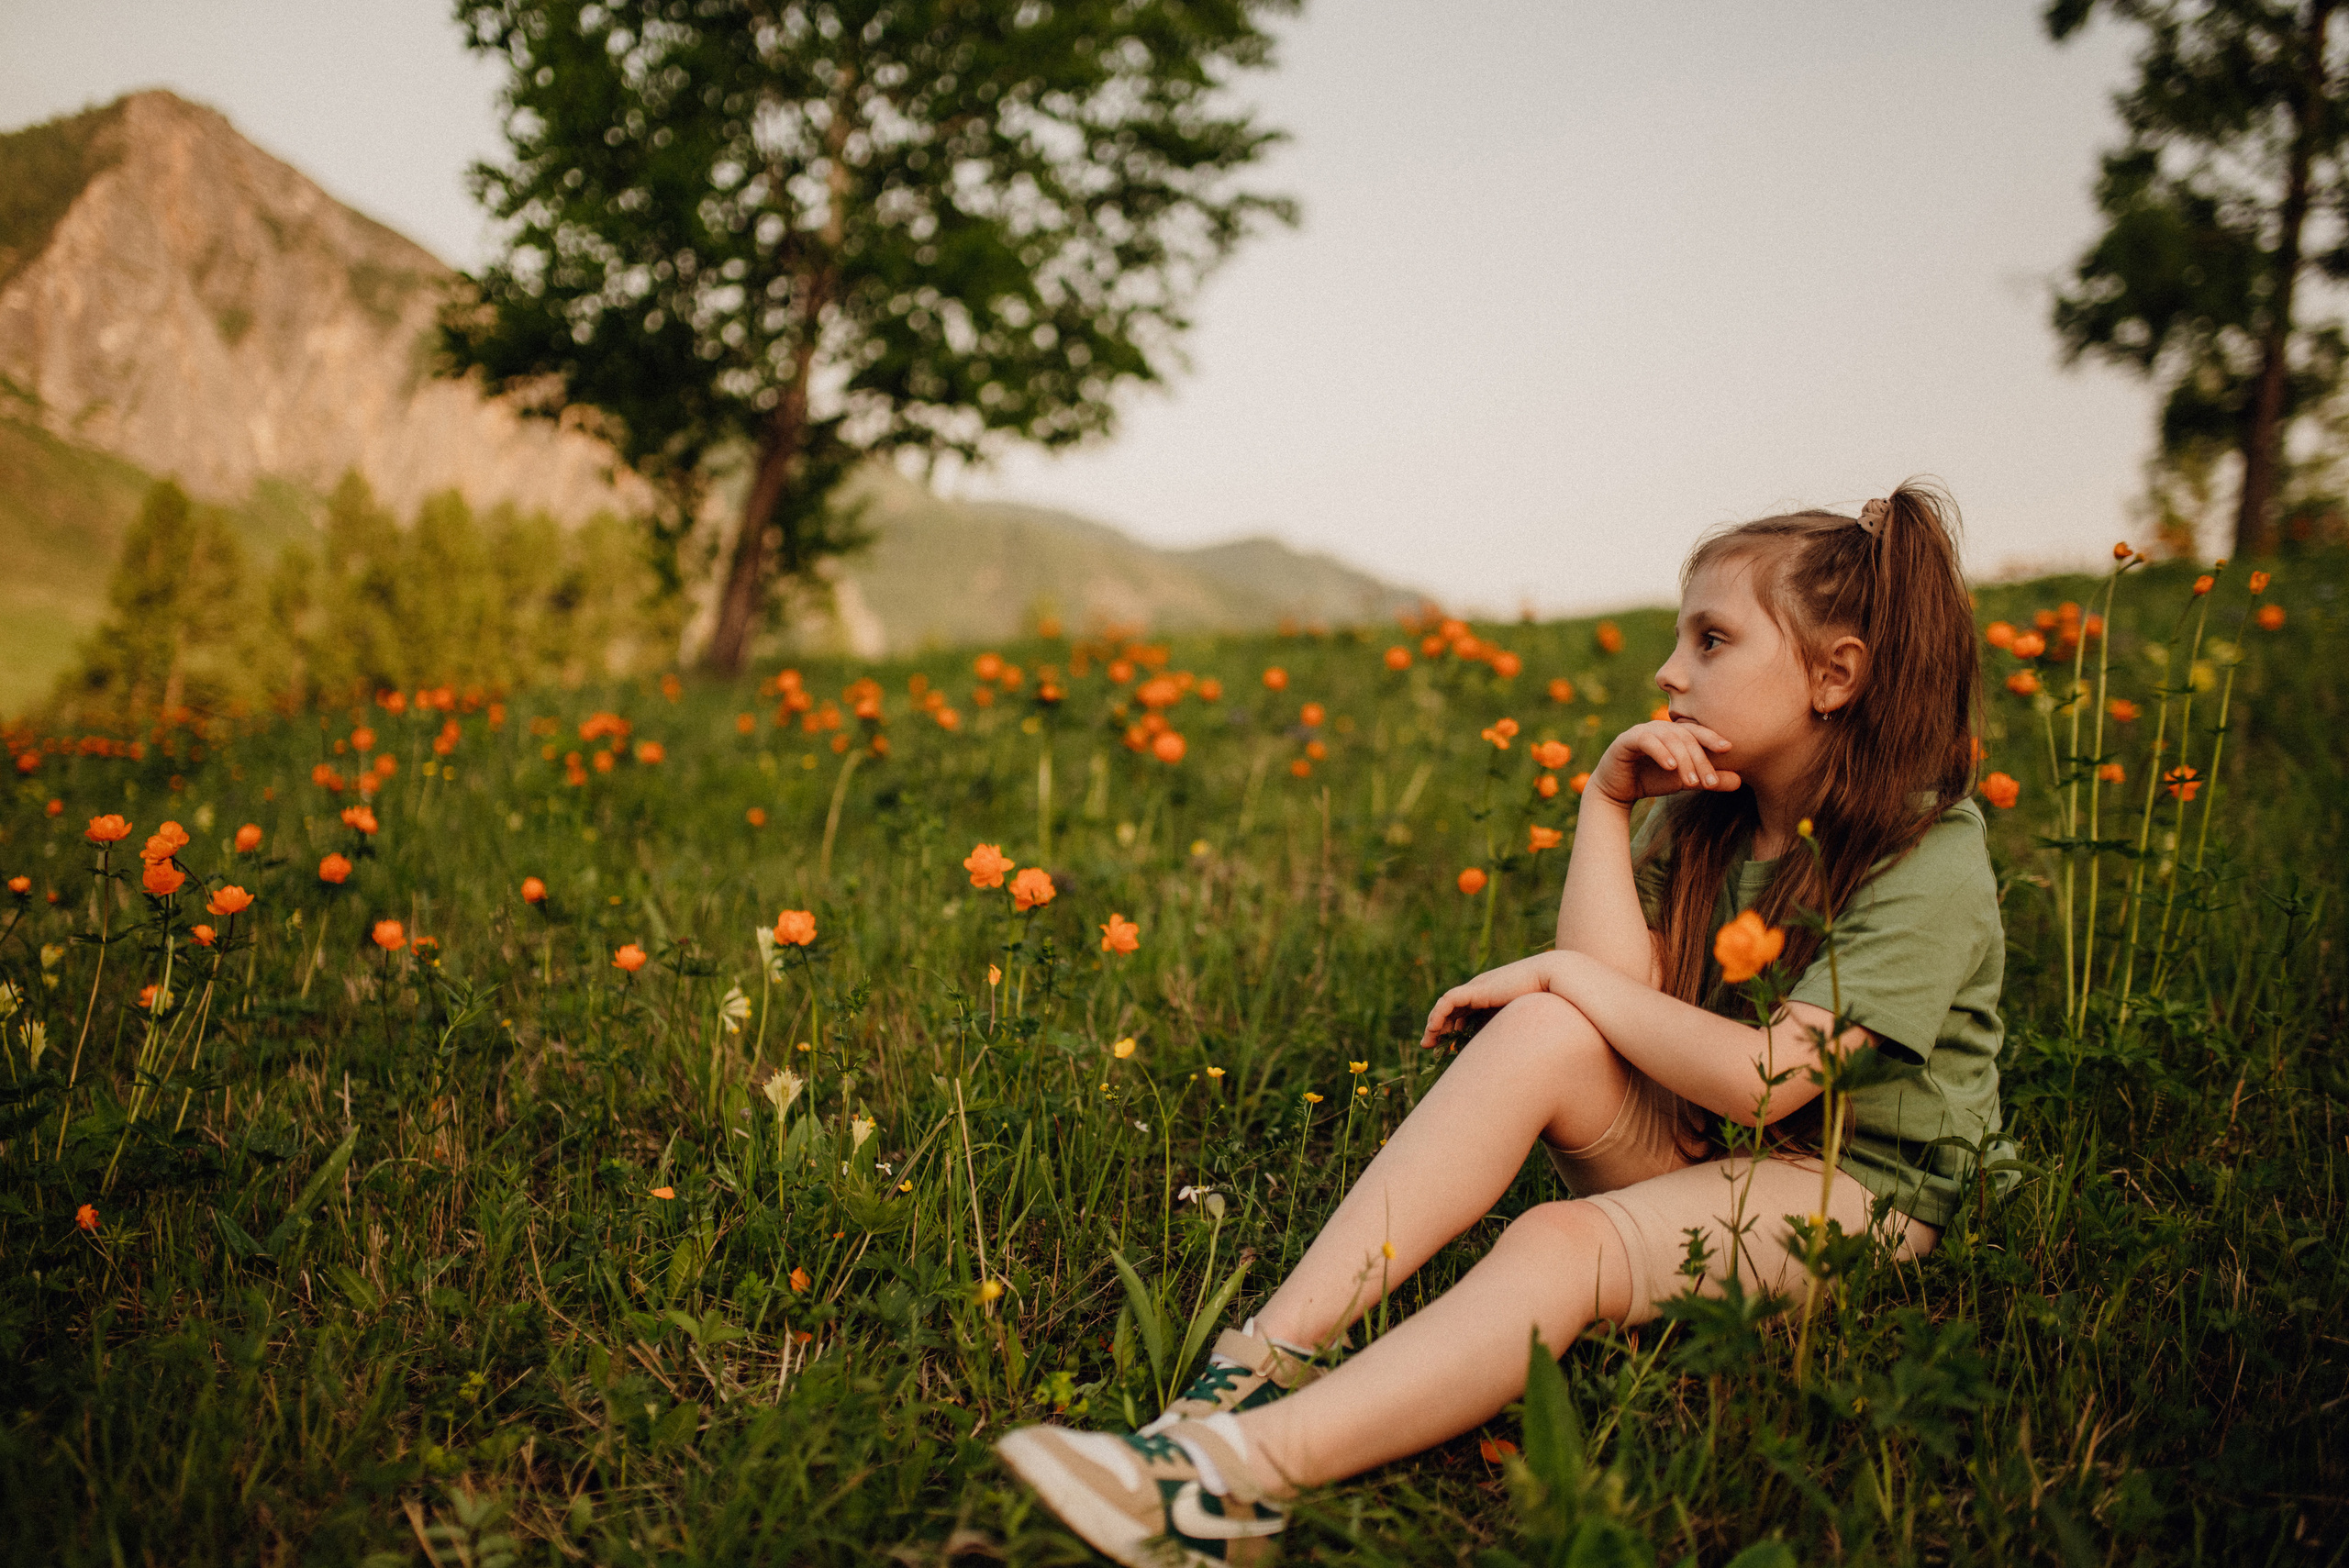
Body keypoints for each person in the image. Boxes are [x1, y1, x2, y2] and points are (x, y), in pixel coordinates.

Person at [996, 484, 2010, 1567]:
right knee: (1541, 1029)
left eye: (1711, 638)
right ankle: (1249, 1371)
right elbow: (1618, 1007)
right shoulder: (1710, 818)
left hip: (1855, 1191)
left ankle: (1232, 1483)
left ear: (1835, 674)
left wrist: (1564, 972)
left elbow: (1769, 1082)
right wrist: (1602, 806)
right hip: (1719, 1150)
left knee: (1557, 1238)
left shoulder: (1927, 853)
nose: (1669, 671)